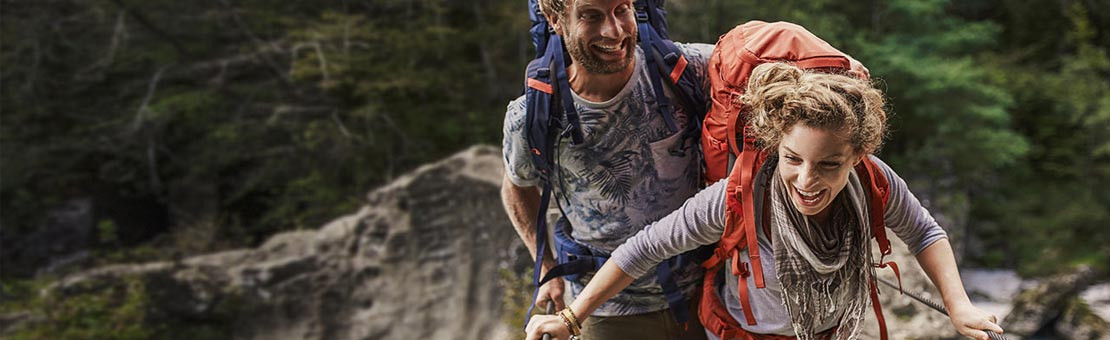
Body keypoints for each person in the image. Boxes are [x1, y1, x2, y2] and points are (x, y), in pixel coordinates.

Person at [523, 62, 1006, 340]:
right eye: (793, 158)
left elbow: (924, 232)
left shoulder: (875, 180)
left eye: (829, 165)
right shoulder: (742, 193)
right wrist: (572, 317)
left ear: (858, 155)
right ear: (777, 144)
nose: (805, 179)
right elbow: (642, 249)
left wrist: (958, 305)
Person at [501, 0, 714, 339]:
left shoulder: (683, 70)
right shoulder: (533, 114)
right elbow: (516, 186)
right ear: (555, 19)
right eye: (591, 15)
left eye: (621, 10)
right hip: (604, 311)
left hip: (706, 294)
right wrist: (546, 267)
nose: (612, 31)